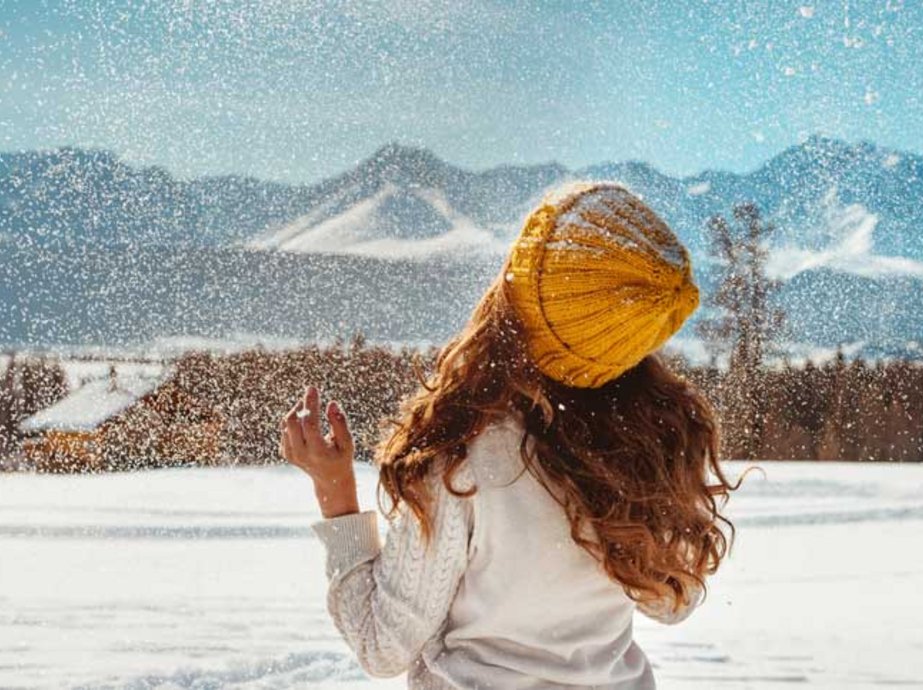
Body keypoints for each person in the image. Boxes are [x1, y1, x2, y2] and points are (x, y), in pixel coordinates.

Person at [279, 181, 748, 689]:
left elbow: (381, 646)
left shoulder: (464, 460)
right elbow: (672, 603)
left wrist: (336, 495)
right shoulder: (649, 449)